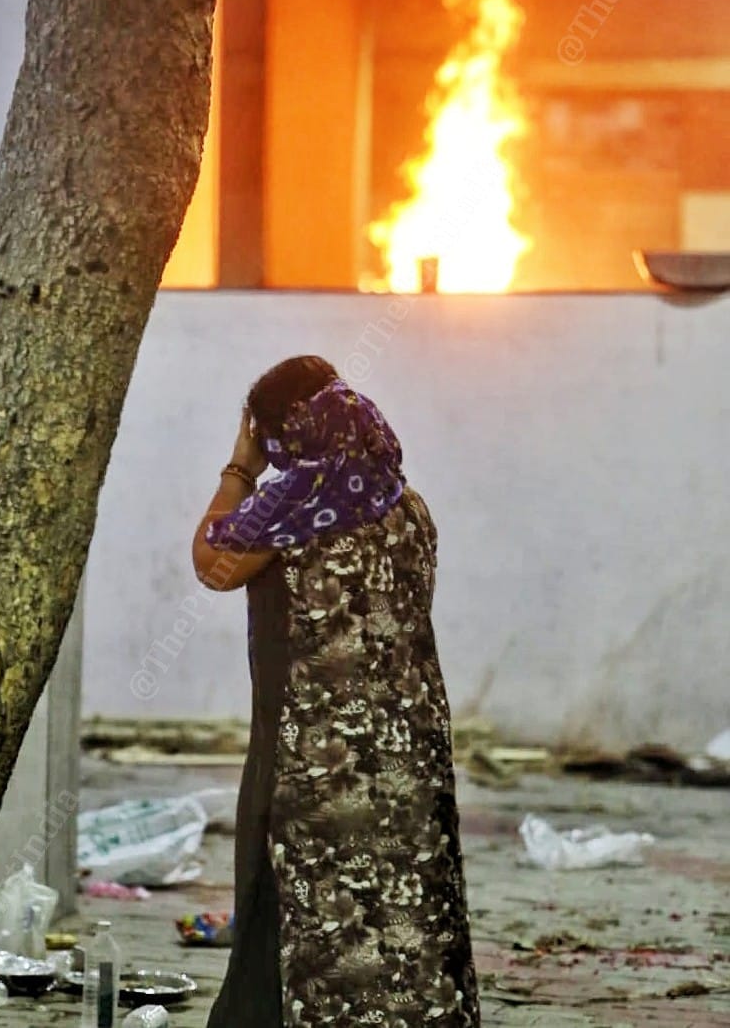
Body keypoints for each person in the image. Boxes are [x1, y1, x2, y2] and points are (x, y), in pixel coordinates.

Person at [193, 355, 480, 1028]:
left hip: (316, 761)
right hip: (409, 753)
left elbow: (213, 562)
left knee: (291, 903)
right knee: (407, 907)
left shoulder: (298, 502)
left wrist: (239, 467)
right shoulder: (408, 504)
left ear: (284, 431)